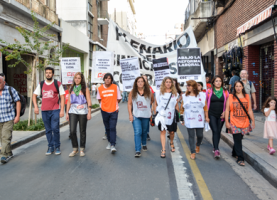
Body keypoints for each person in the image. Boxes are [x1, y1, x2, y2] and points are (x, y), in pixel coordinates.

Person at [33, 67, 65, 155]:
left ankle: (57, 146)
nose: (48, 74)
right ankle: (50, 146)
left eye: (50, 73)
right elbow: (34, 95)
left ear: (53, 74)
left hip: (55, 109)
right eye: (46, 73)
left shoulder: (57, 84)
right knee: (48, 130)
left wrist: (62, 109)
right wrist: (36, 107)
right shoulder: (41, 84)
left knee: (55, 128)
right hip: (44, 110)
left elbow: (62, 96)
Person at [225, 81, 255, 166]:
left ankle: (234, 152)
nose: (238, 88)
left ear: (242, 87)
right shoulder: (231, 97)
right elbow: (227, 110)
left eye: (240, 86)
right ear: (234, 88)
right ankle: (240, 158)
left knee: (239, 139)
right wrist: (227, 122)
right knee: (237, 140)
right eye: (236, 86)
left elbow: (249, 110)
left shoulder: (247, 96)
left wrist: (253, 121)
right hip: (234, 122)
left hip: (244, 122)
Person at [180, 80, 208, 160]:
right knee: (191, 136)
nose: (187, 87)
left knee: (200, 135)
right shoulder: (185, 96)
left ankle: (198, 144)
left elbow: (205, 107)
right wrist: (181, 118)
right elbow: (182, 108)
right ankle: (192, 152)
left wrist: (207, 117)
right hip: (189, 119)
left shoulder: (201, 95)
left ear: (194, 87)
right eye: (187, 85)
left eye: (189, 85)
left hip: (199, 119)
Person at [66, 73, 92, 157]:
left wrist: (89, 112)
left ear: (81, 79)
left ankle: (82, 149)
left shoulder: (85, 89)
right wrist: (67, 113)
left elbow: (89, 100)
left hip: (83, 112)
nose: (77, 79)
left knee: (82, 131)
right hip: (73, 111)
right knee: (72, 131)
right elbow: (69, 101)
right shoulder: (71, 88)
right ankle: (75, 149)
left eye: (79, 78)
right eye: (75, 78)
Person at [153, 77, 179, 158]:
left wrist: (179, 116)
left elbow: (176, 105)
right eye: (166, 82)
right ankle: (163, 149)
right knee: (162, 131)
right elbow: (155, 104)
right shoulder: (159, 93)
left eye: (170, 82)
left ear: (172, 84)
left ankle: (171, 142)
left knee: (171, 132)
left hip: (171, 115)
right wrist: (155, 114)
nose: (168, 83)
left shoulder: (175, 94)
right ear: (164, 83)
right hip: (162, 115)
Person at [128, 76, 154, 157]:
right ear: (136, 83)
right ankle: (138, 150)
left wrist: (149, 108)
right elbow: (129, 104)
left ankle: (144, 143)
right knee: (137, 131)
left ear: (144, 83)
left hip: (146, 115)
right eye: (138, 81)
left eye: (141, 81)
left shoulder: (149, 92)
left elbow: (152, 101)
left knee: (144, 131)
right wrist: (130, 114)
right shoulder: (132, 92)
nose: (140, 83)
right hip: (136, 115)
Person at [205, 76, 229, 158]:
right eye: (216, 81)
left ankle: (215, 147)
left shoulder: (225, 92)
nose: (218, 82)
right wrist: (206, 116)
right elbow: (205, 104)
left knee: (218, 131)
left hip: (221, 115)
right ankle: (216, 149)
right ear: (213, 82)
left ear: (222, 82)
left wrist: (225, 112)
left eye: (220, 81)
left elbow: (228, 105)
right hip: (211, 114)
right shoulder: (209, 91)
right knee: (215, 130)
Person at [97, 73, 121, 154]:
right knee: (107, 127)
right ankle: (110, 141)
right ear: (104, 79)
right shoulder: (100, 88)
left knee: (112, 127)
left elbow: (119, 98)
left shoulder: (115, 87)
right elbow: (99, 99)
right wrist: (104, 106)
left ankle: (112, 145)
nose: (107, 79)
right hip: (104, 111)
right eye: (106, 78)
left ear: (111, 80)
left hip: (114, 111)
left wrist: (113, 104)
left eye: (109, 78)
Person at [0, 77, 21, 164]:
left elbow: (18, 102)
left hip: (8, 118)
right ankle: (9, 152)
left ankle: (3, 155)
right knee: (2, 137)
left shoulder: (10, 90)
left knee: (6, 136)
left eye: (0, 83)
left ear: (4, 82)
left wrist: (17, 116)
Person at [142, 74, 154, 141]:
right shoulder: (137, 87)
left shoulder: (149, 88)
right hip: (140, 107)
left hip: (147, 108)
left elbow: (152, 99)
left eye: (145, 78)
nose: (144, 79)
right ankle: (142, 133)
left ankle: (147, 133)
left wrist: (151, 107)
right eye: (143, 78)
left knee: (147, 121)